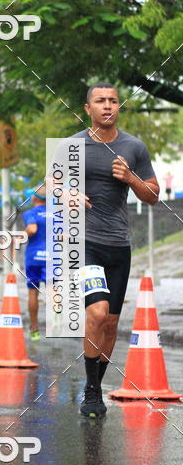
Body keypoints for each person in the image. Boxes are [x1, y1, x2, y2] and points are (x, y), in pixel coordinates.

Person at [71, 82, 159, 418]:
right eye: (100, 101)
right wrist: (65, 194)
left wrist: (131, 178)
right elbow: (50, 182)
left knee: (109, 322)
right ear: (87, 108)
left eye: (113, 101)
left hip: (119, 245)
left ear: (118, 106)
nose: (107, 106)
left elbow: (152, 194)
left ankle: (95, 386)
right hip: (85, 243)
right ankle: (92, 390)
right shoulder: (74, 145)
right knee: (96, 312)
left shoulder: (133, 146)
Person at [22, 189, 47, 341]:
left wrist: (21, 236)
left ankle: (35, 329)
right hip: (53, 258)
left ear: (34, 198)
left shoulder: (30, 213)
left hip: (34, 257)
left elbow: (32, 229)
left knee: (33, 292)